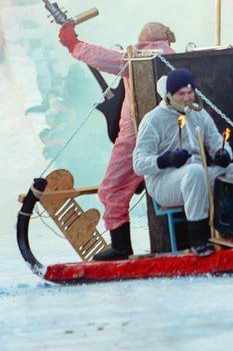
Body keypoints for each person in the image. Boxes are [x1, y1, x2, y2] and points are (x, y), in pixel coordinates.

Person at [58, 19, 176, 260]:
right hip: (172, 133)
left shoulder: (136, 59)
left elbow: (100, 56)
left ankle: (121, 247)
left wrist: (74, 45)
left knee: (112, 189)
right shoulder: (177, 58)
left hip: (136, 135)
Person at [133, 68, 233, 256]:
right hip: (164, 181)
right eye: (181, 94)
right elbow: (138, 163)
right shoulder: (153, 119)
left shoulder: (199, 113)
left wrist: (223, 153)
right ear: (169, 95)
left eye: (190, 93)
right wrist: (166, 159)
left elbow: (217, 142)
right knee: (194, 172)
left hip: (198, 173)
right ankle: (199, 239)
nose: (187, 98)